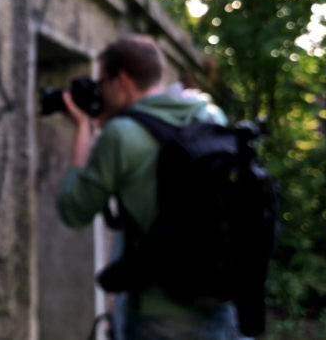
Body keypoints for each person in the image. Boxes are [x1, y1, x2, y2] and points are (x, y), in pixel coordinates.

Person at [56, 34, 240, 339]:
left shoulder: (122, 134)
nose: (101, 91)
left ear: (122, 80)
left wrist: (84, 132)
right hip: (221, 300)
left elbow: (73, 210)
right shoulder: (209, 115)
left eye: (103, 81)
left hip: (160, 314)